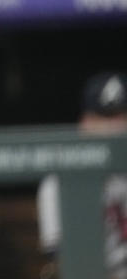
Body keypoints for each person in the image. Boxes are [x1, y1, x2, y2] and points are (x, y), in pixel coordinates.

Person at [37, 70, 127, 279]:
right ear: (85, 124)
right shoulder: (61, 182)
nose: (118, 127)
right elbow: (65, 264)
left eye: (124, 117)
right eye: (107, 118)